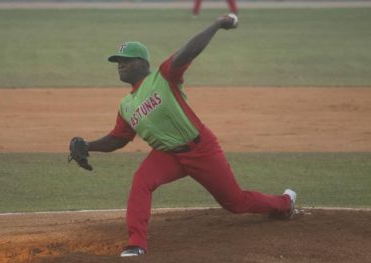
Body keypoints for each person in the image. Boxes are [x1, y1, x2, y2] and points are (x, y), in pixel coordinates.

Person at [79, 14, 297, 257]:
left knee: (235, 202)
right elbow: (117, 139)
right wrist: (88, 146)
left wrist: (216, 25)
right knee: (141, 181)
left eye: (126, 60)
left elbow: (187, 52)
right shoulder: (126, 105)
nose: (120, 65)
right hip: (168, 154)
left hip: (200, 149)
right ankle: (136, 242)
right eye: (118, 61)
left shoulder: (163, 77)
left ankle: (284, 203)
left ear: (142, 63)